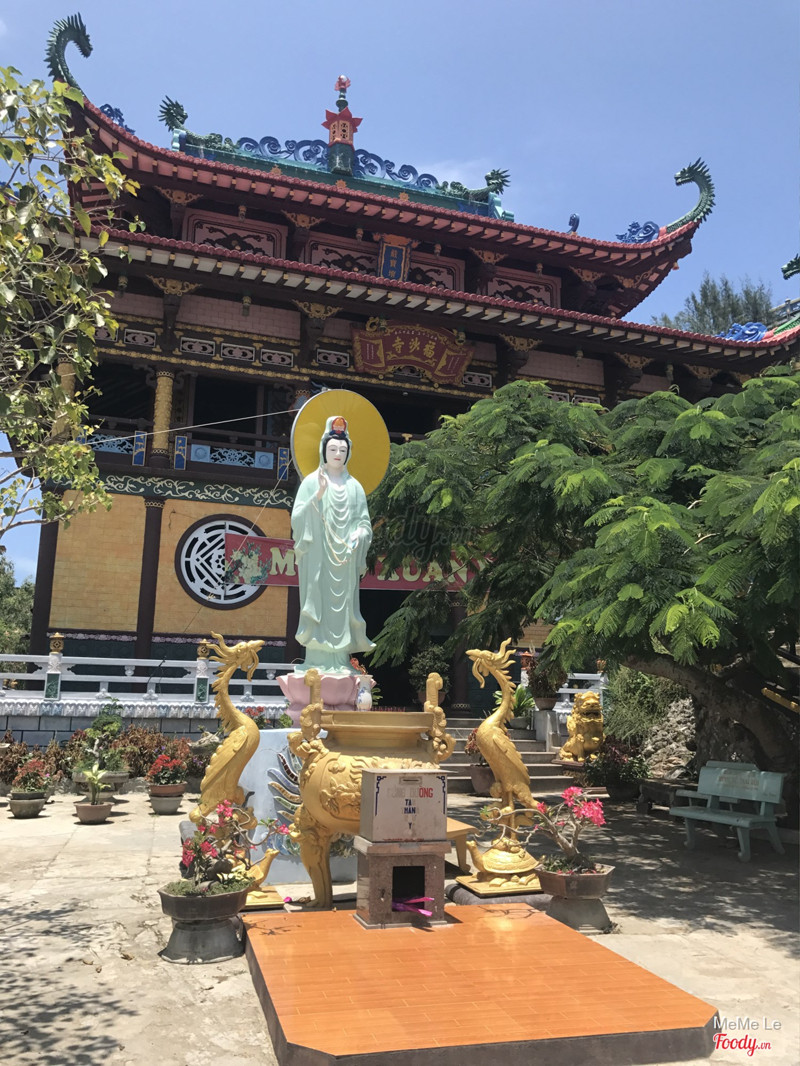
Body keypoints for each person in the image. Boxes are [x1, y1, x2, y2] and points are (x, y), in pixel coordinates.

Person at [291, 415, 374, 672]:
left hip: (345, 560)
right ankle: (316, 659)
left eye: (342, 450)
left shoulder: (355, 487)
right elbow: (297, 518)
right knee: (318, 601)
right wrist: (317, 495)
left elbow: (365, 523)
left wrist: (359, 535)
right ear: (323, 451)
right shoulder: (311, 482)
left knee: (344, 607)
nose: (338, 454)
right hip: (318, 558)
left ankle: (340, 660)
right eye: (333, 449)